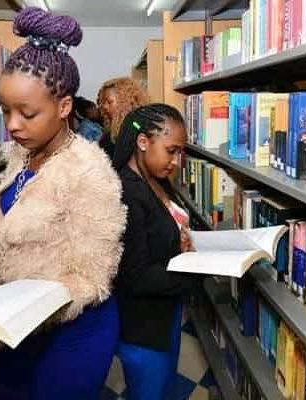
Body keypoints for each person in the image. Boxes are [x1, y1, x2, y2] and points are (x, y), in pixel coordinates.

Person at [0, 7, 127, 400]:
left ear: (64, 107)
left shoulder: (91, 172)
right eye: (6, 110)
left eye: (27, 113)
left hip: (71, 339)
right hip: (17, 331)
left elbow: (89, 281)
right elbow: (18, 241)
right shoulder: (21, 155)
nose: (12, 125)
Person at [112, 104, 196, 400]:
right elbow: (135, 278)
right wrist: (195, 271)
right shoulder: (126, 193)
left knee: (164, 388)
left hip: (165, 314)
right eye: (171, 151)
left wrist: (179, 244)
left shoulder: (156, 180)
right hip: (142, 327)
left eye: (179, 153)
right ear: (143, 141)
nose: (175, 161)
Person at [96, 77, 149, 159]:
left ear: (124, 102)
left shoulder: (135, 126)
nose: (105, 107)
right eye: (103, 103)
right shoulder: (110, 131)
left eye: (109, 102)